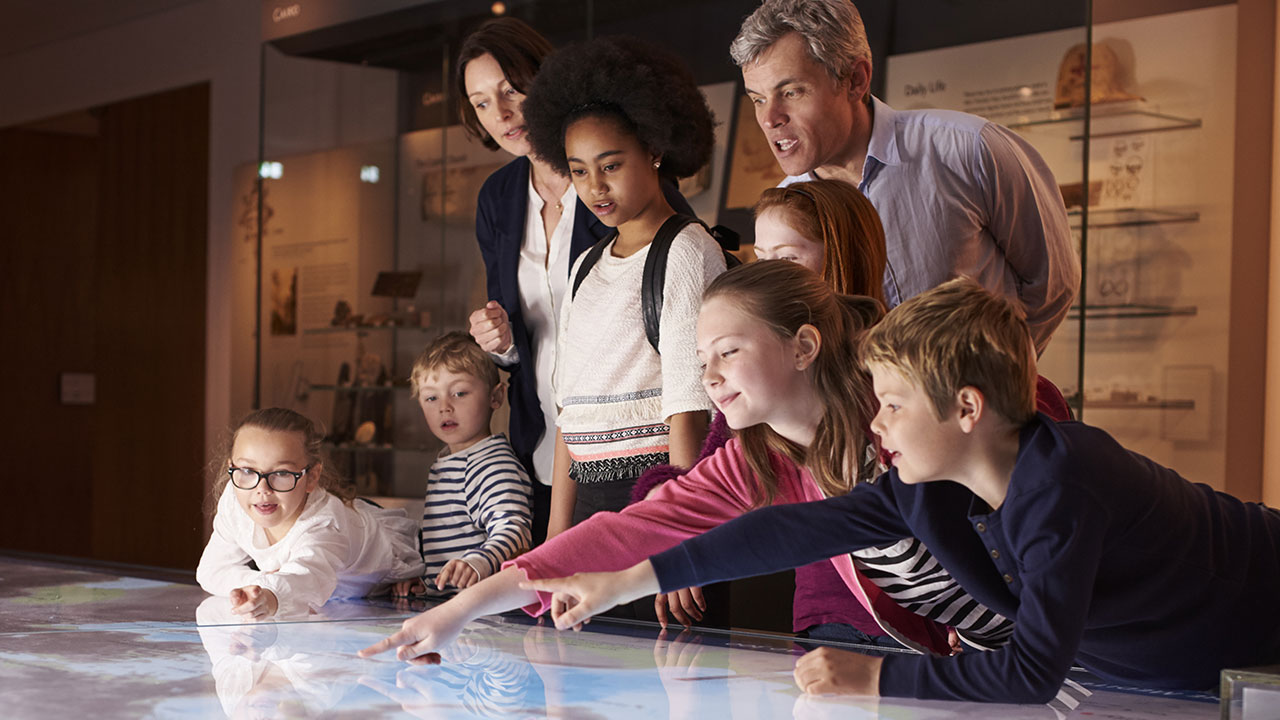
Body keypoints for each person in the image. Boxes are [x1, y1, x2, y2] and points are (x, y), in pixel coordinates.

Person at [528, 277, 1280, 703]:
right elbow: (787, 532)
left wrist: (875, 675)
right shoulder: (920, 487)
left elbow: (1032, 671)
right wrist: (624, 580)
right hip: (1181, 674)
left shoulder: (1062, 485)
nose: (875, 424)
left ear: (966, 409)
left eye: (892, 404)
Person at [359, 262, 1028, 666]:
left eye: (729, 352)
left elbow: (1029, 485)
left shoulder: (902, 418)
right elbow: (623, 533)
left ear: (803, 346)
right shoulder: (756, 461)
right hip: (992, 666)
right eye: (700, 358)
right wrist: (460, 612)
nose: (708, 375)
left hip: (1069, 646)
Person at [459, 18, 696, 545]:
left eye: (509, 89)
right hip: (546, 434)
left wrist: (682, 503)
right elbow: (524, 331)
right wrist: (499, 344)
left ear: (545, 82)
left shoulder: (628, 181)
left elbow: (682, 336)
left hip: (642, 447)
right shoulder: (497, 197)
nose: (498, 114)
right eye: (479, 103)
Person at [732, 0, 1079, 353]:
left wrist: (996, 380)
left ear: (856, 80)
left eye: (791, 92)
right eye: (758, 99)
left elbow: (1052, 285)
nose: (769, 118)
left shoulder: (968, 149)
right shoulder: (784, 209)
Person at [520, 36, 723, 538]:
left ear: (654, 149)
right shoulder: (586, 265)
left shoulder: (687, 250)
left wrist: (681, 539)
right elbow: (570, 414)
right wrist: (555, 538)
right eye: (579, 172)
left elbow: (689, 407)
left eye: (610, 165)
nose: (595, 188)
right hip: (587, 496)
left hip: (659, 490)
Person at [196, 408, 423, 619]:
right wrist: (257, 585)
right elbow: (210, 570)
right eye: (247, 470)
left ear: (312, 477)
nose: (261, 489)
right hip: (333, 587)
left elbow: (306, 578)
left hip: (381, 554)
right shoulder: (237, 497)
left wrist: (271, 594)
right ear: (232, 466)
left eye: (282, 473)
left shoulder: (324, 524)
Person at [396, 332, 533, 598]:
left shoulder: (492, 464)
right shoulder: (448, 463)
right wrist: (426, 584)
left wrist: (477, 562)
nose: (444, 407)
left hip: (485, 617)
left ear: (496, 397)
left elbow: (515, 530)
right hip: (454, 612)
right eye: (431, 398)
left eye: (459, 393)